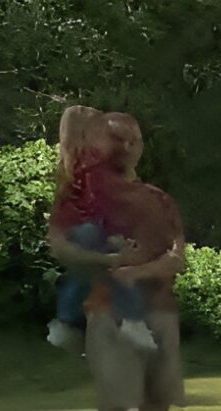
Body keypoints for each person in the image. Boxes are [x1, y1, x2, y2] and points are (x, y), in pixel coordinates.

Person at [46, 112, 192, 411]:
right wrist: (107, 261)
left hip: (161, 312)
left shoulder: (159, 198)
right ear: (98, 144)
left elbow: (177, 257)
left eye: (133, 139)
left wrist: (138, 272)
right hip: (108, 311)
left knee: (156, 407)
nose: (126, 146)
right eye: (116, 139)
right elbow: (59, 246)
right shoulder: (82, 194)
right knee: (115, 408)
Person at [43, 107, 158, 355]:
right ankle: (128, 322)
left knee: (112, 260)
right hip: (87, 237)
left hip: (104, 237)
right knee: (92, 243)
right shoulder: (75, 175)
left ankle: (82, 325)